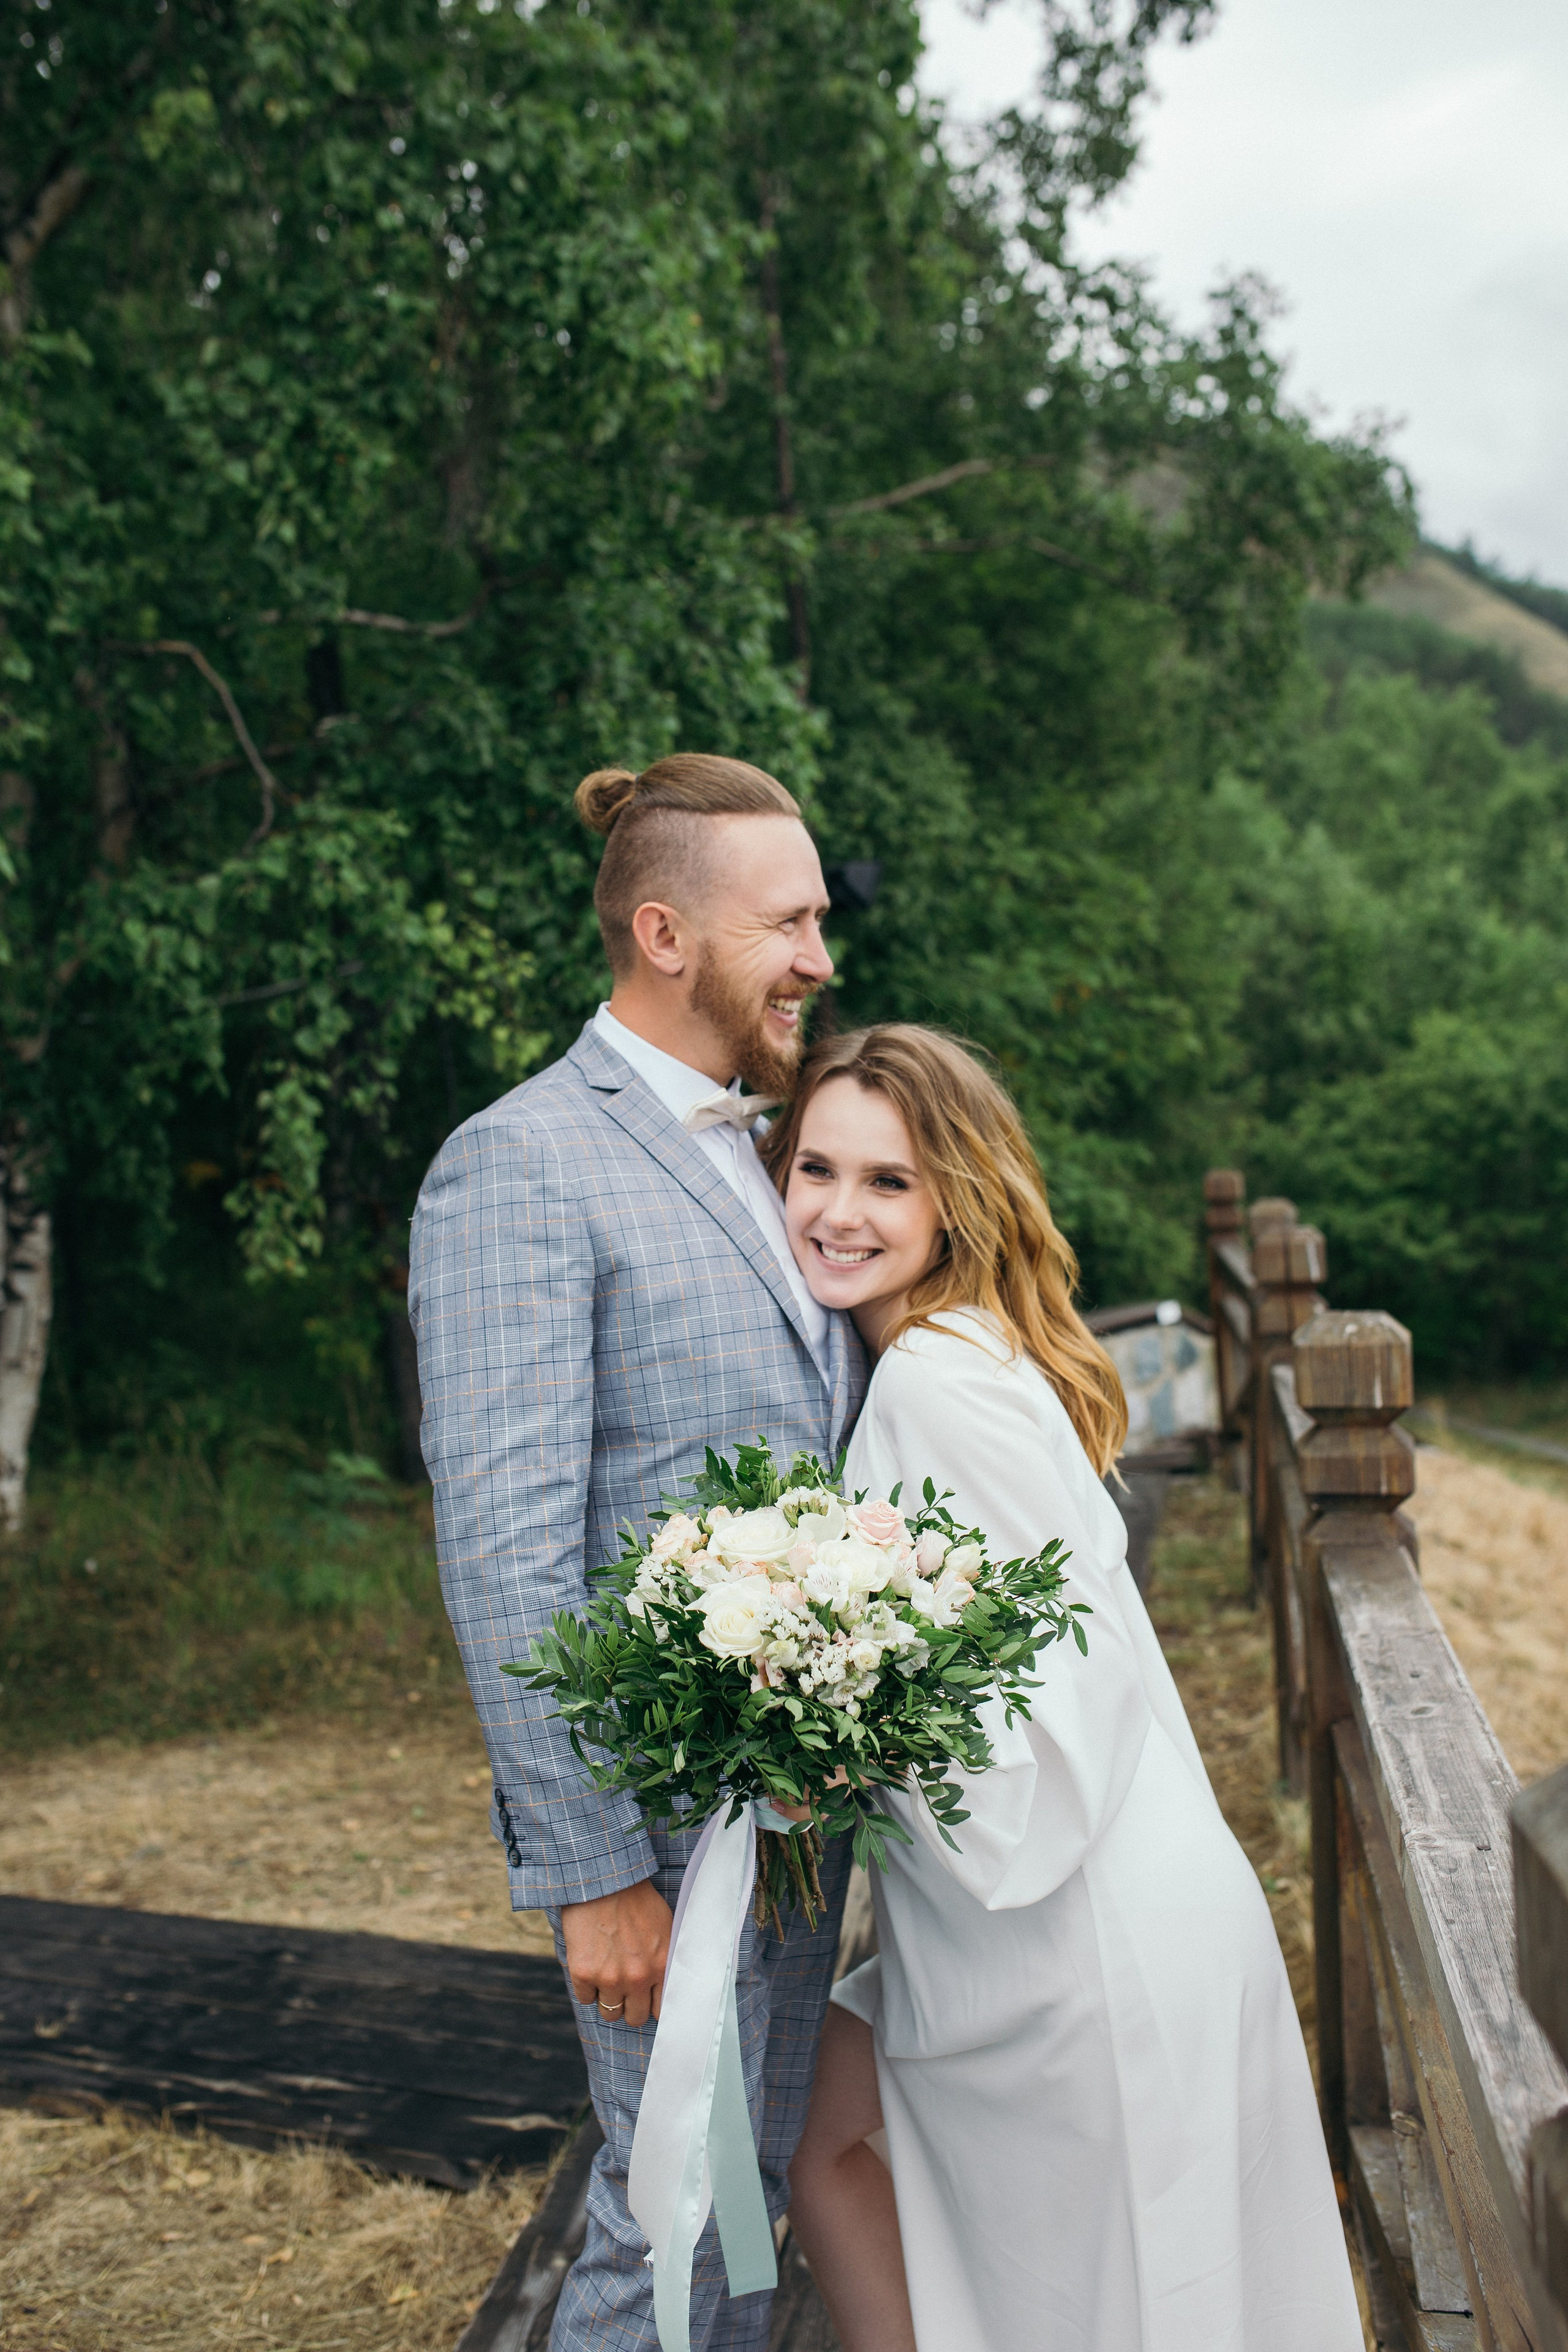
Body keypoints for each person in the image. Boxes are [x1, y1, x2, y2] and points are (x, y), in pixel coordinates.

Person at [769, 1025, 1363, 2352]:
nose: (838, 1212)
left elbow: (1024, 1722)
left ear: (957, 1199)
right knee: (813, 2136)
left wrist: (817, 1746)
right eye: (815, 1167)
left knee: (1109, 2302)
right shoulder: (961, 1348)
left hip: (1078, 1931)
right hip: (1117, 1885)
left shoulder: (929, 1382)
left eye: (888, 1182)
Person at [408, 755, 866, 2352]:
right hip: (660, 1839)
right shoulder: (520, 1163)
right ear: (665, 934)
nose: (821, 955)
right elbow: (508, 1542)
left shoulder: (776, 1144)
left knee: (742, 2208)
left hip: (793, 1813)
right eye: (789, 922)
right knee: (666, 2217)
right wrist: (591, 1869)